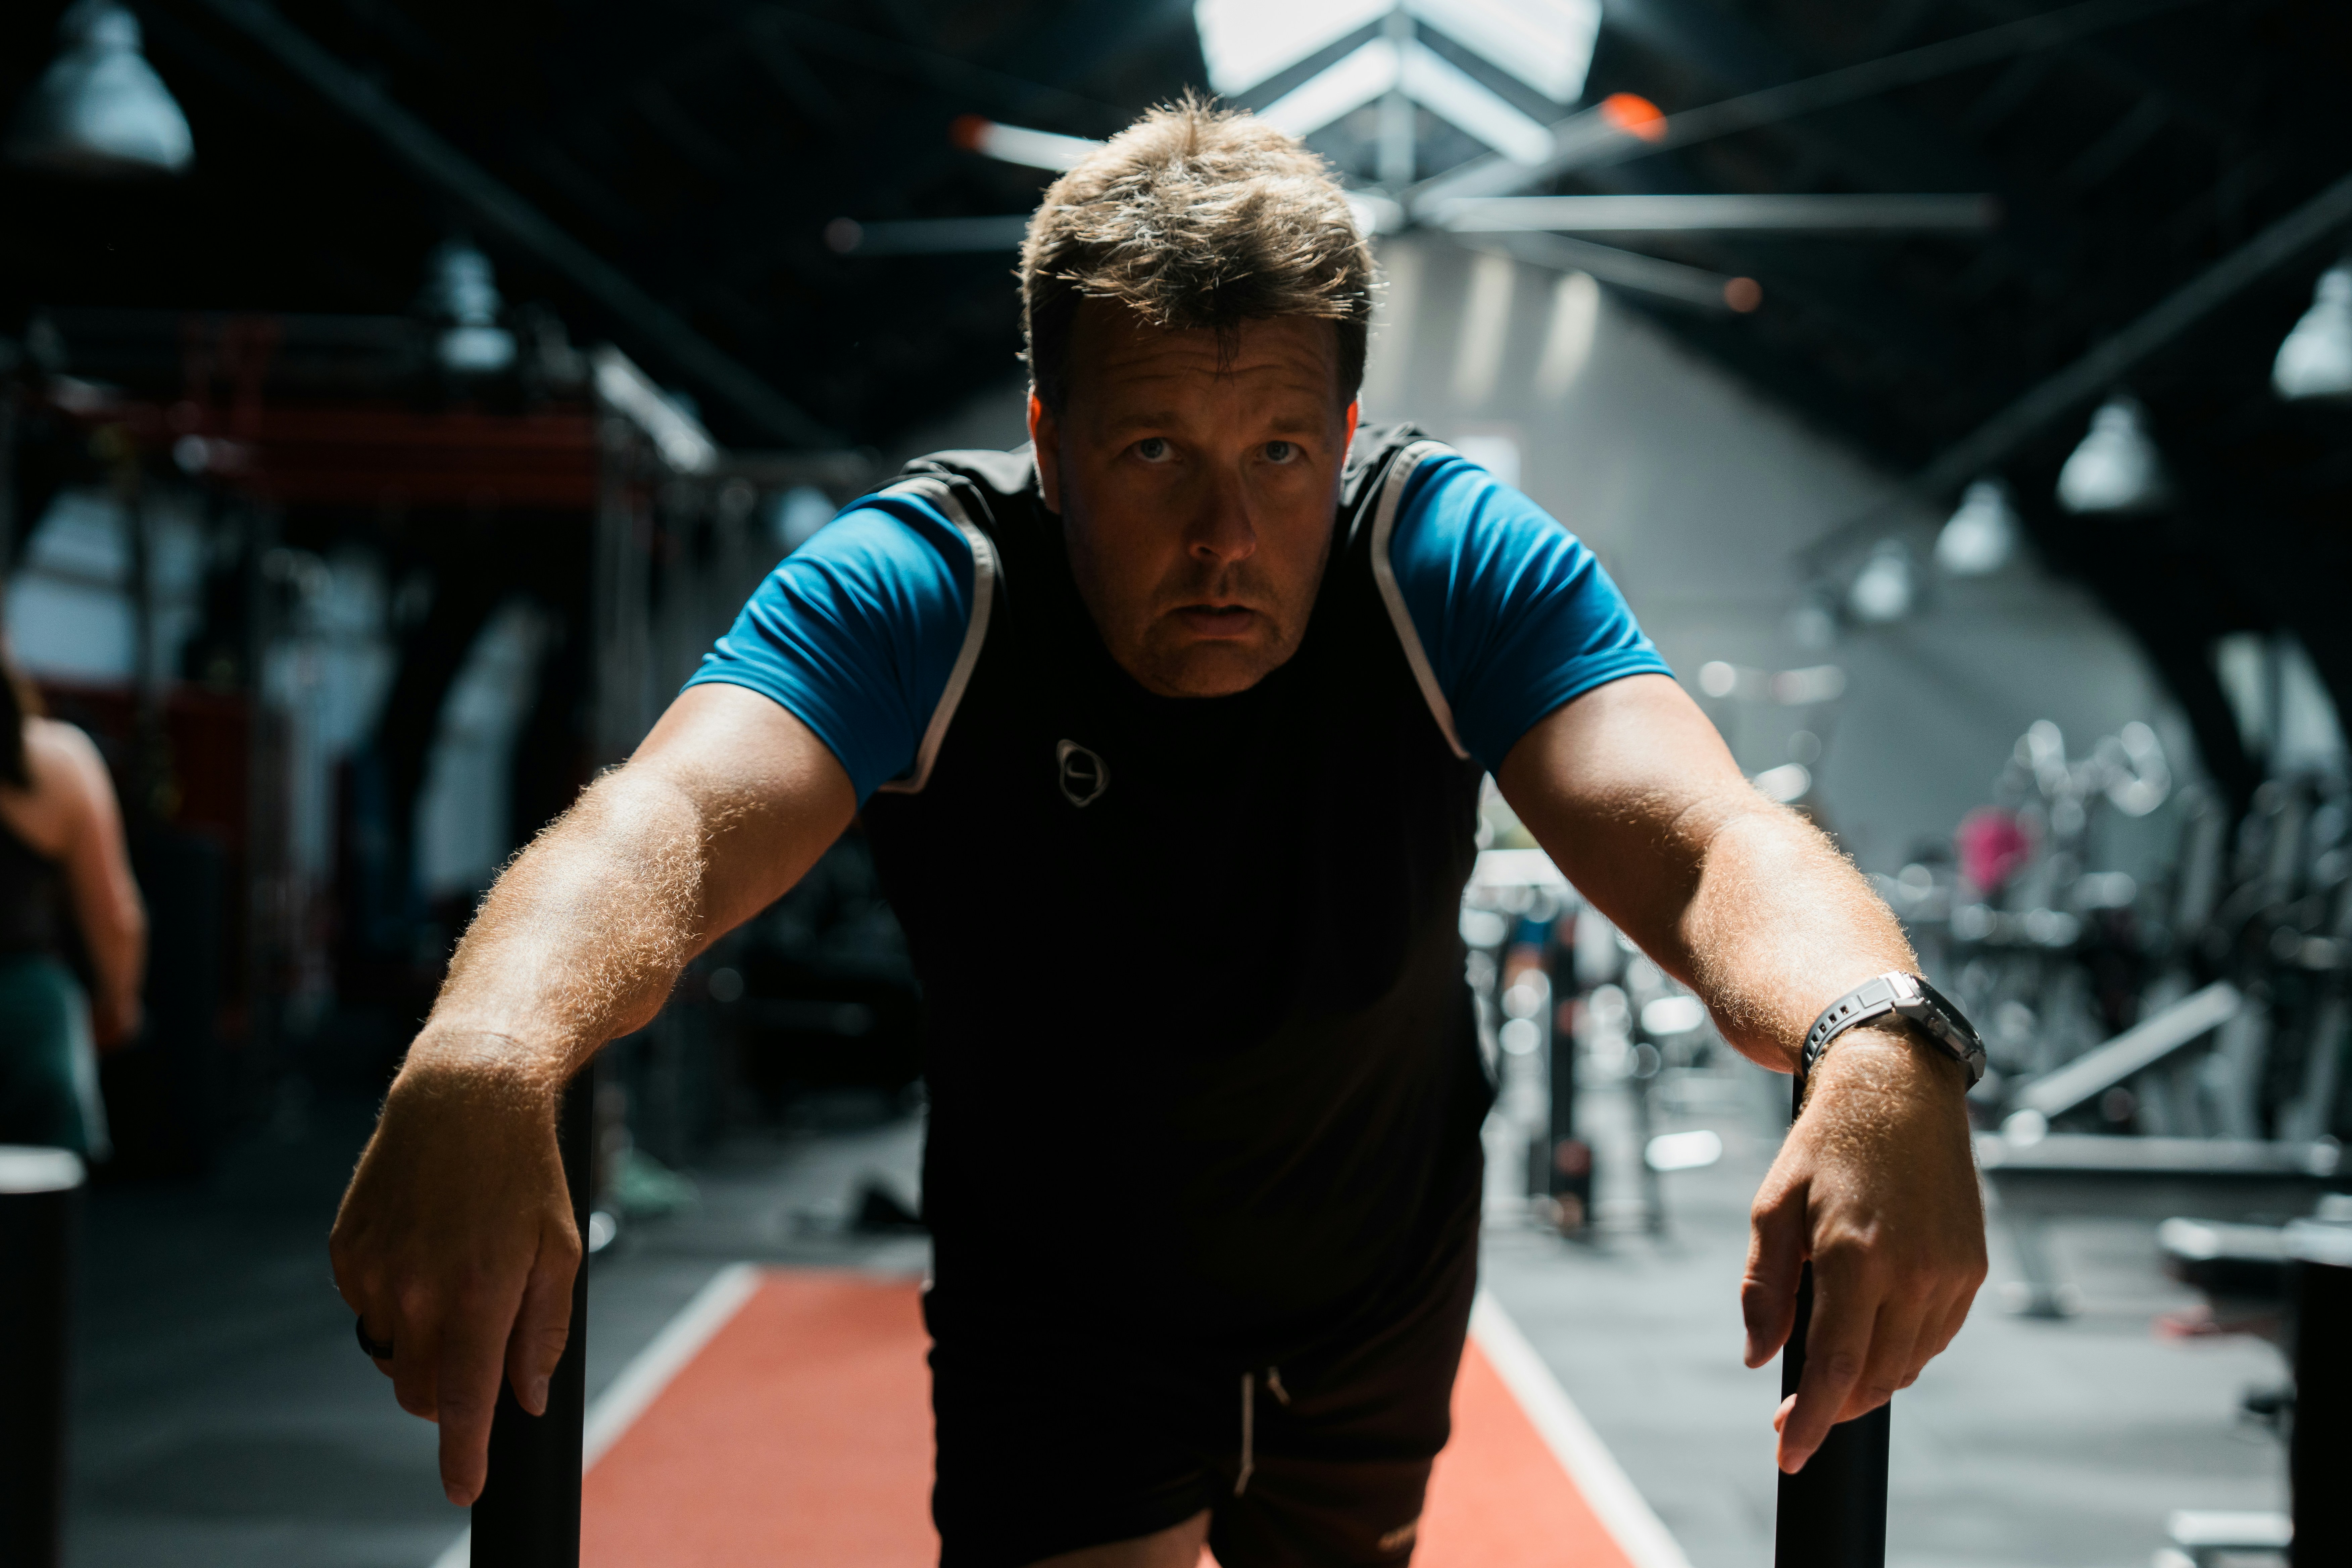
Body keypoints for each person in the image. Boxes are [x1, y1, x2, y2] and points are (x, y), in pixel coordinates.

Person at [332, 101, 1986, 1567]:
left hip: (1370, 1282)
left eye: (1275, 453)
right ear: (1048, 444)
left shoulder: (1442, 560)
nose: (1223, 537)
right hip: (1059, 1301)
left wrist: (1876, 1036)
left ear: (1342, 443)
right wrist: (490, 1041)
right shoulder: (929, 585)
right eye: (1151, 454)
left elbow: (1702, 831)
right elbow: (671, 820)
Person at [0, 644, 145, 1158]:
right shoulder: (61, 760)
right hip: (30, 1020)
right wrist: (119, 1005)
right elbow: (116, 916)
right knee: (37, 1224)